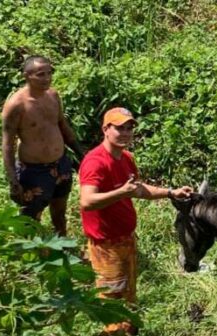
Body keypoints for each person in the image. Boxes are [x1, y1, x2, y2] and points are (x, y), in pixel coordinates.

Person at [79, 107, 193, 335]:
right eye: (119, 128)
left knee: (130, 300)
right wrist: (122, 192)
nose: (125, 133)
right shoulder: (95, 162)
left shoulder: (126, 158)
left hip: (127, 241)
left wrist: (171, 192)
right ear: (105, 129)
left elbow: (138, 190)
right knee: (112, 305)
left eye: (129, 128)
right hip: (106, 246)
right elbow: (87, 201)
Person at [1, 55, 83, 236]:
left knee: (60, 210)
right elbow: (7, 145)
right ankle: (30, 255)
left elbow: (63, 125)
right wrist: (13, 181)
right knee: (31, 217)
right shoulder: (16, 105)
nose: (47, 78)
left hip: (60, 164)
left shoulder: (53, 96)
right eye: (40, 74)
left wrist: (81, 153)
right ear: (26, 76)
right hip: (34, 170)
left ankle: (62, 245)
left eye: (49, 73)